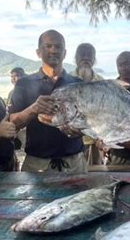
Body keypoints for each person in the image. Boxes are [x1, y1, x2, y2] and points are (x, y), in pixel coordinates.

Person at [9, 29, 87, 173]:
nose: (54, 50)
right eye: (48, 46)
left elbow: (90, 120)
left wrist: (80, 131)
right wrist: (33, 110)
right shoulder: (24, 84)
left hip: (74, 163)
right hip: (37, 164)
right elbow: (12, 123)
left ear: (64, 53)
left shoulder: (78, 84)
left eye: (58, 47)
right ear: (38, 52)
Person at [70, 43, 104, 165]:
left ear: (94, 59)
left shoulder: (101, 82)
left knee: (97, 179)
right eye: (82, 54)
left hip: (97, 140)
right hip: (72, 142)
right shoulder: (67, 80)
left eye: (89, 55)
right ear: (75, 58)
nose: (86, 57)